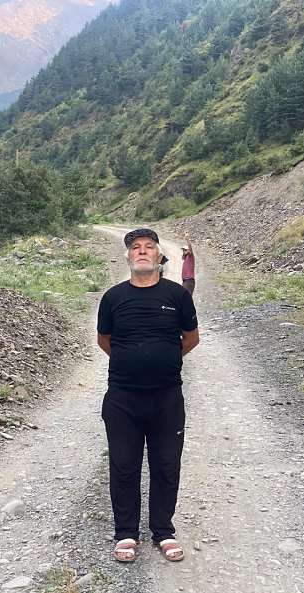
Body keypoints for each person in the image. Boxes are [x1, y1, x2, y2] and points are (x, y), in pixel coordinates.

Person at [97, 227, 199, 564]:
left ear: (159, 256)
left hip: (167, 398)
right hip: (122, 398)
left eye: (149, 246)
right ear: (128, 257)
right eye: (136, 247)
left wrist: (163, 360)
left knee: (166, 466)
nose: (142, 251)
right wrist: (133, 362)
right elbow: (104, 340)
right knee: (124, 466)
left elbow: (191, 338)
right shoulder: (112, 297)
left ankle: (163, 531)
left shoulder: (177, 296)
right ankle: (126, 532)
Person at [181, 231, 195, 296]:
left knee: (186, 297)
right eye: (183, 250)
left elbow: (190, 247)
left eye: (185, 250)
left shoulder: (190, 256)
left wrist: (187, 239)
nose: (184, 251)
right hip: (185, 281)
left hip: (189, 280)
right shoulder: (186, 258)